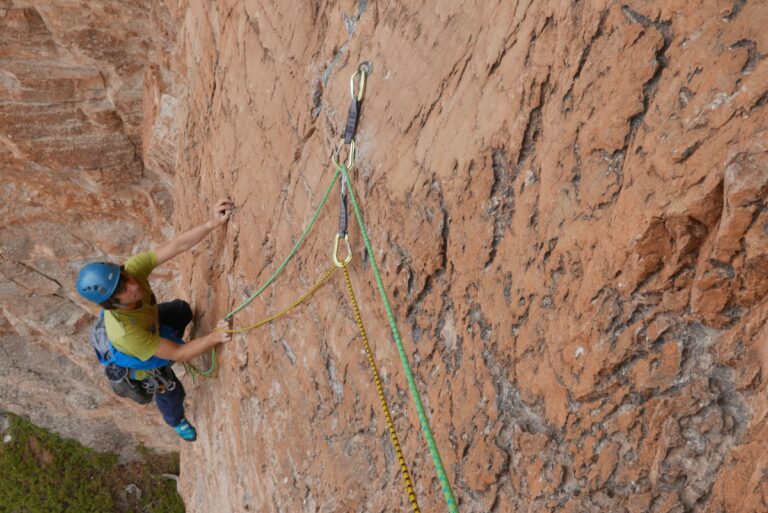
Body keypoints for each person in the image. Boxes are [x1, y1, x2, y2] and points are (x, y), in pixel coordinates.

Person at [75, 199, 235, 442]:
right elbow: (180, 354)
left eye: (125, 277)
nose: (132, 285)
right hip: (139, 354)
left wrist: (212, 223)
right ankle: (177, 422)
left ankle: (166, 341)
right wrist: (215, 336)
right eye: (122, 290)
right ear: (111, 304)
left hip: (148, 325)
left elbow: (177, 245)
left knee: (182, 311)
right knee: (169, 388)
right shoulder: (125, 332)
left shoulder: (132, 271)